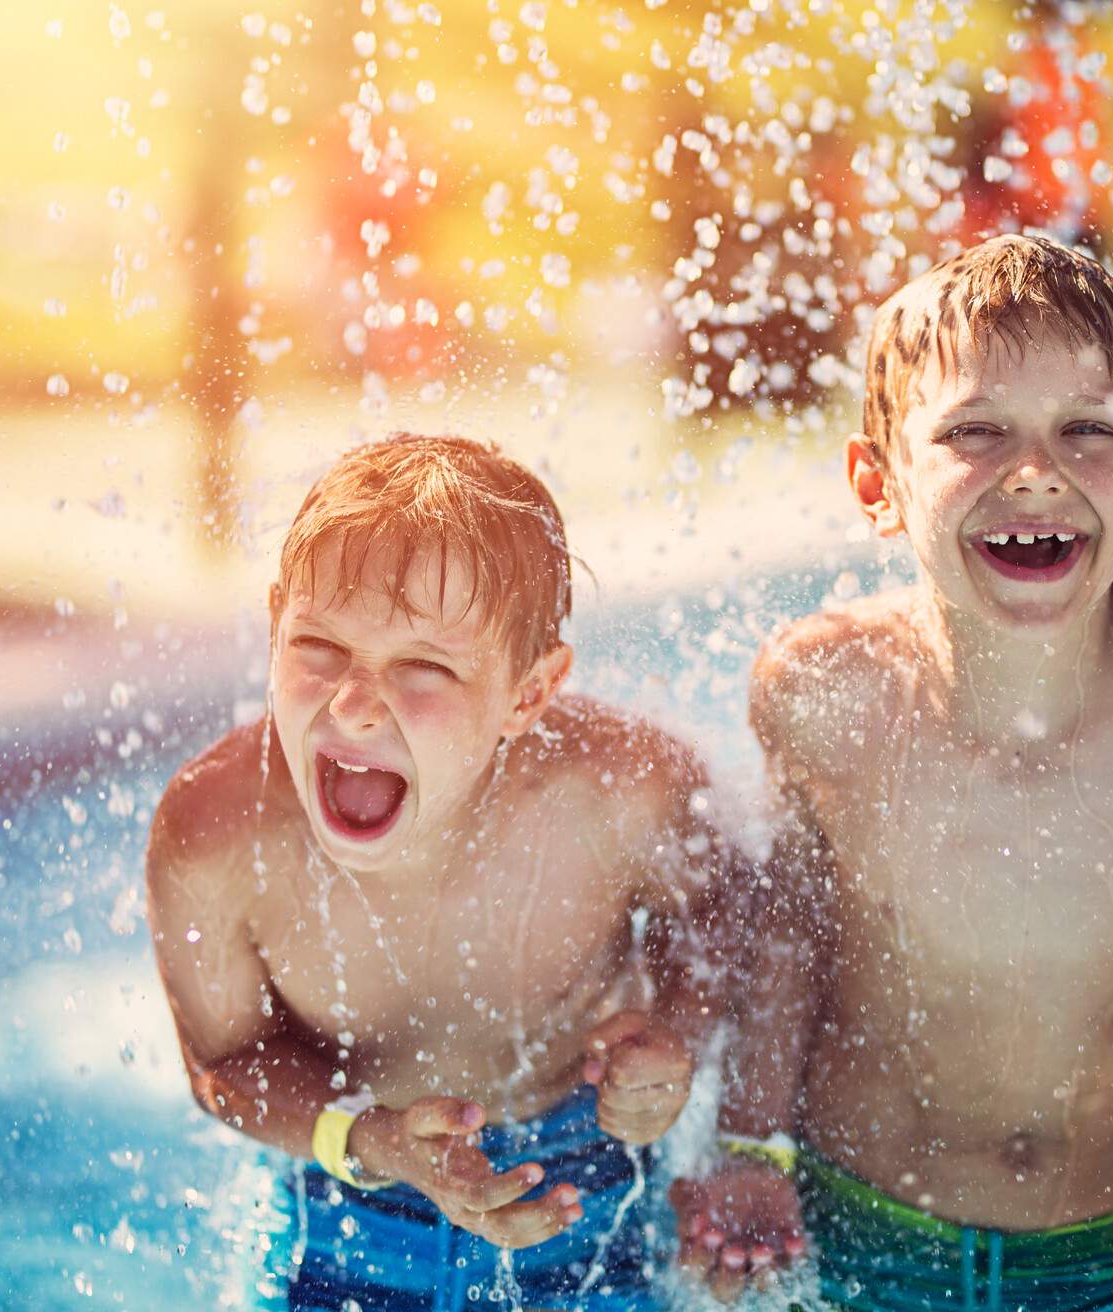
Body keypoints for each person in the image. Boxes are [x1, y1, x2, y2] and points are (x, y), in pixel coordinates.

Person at [671, 234, 1113, 1309]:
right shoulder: (830, 688)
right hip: (867, 1224)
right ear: (879, 481)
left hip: (1111, 1241)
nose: (1036, 468)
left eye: (1088, 429)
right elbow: (791, 920)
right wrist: (751, 1145)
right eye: (976, 429)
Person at [147, 435, 730, 1311]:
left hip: (582, 1191)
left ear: (529, 694)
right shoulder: (216, 834)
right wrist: (375, 1141)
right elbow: (224, 1062)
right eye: (317, 647)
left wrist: (671, 1046)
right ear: (274, 624)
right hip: (343, 1213)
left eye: (422, 668)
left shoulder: (623, 794)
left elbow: (723, 922)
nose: (352, 703)